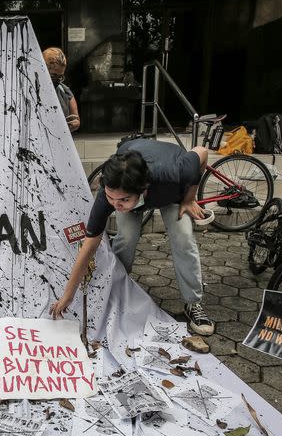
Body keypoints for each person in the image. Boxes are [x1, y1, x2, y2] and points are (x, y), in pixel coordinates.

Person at [50, 139, 215, 336]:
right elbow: (89, 246)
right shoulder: (108, 197)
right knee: (126, 237)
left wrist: (189, 198)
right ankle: (117, 288)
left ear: (143, 190)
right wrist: (68, 295)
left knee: (184, 238)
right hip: (134, 168)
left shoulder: (173, 173)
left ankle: (193, 302)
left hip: (171, 194)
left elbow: (202, 152)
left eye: (123, 200)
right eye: (111, 198)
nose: (116, 206)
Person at [42, 47, 80, 132]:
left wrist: (74, 124)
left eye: (60, 76)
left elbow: (76, 119)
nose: (57, 79)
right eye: (53, 75)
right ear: (42, 69)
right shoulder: (29, 91)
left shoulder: (65, 91)